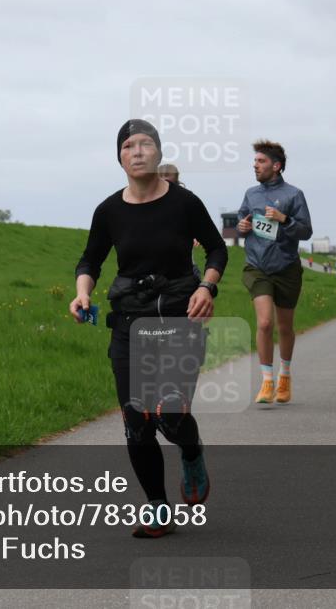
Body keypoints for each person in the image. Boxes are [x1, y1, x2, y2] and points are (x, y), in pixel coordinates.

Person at [71, 119, 227, 537]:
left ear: (158, 153)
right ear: (119, 158)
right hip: (130, 322)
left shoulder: (184, 203)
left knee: (170, 415)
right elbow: (90, 260)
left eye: (145, 144)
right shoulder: (109, 211)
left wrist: (207, 287)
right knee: (136, 419)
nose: (137, 151)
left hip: (180, 316)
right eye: (127, 146)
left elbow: (216, 247)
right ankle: (159, 509)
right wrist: (82, 293)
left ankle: (191, 452)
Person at [236, 140, 313, 405]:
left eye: (261, 162)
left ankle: (285, 376)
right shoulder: (251, 194)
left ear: (276, 166)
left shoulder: (294, 194)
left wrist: (284, 219)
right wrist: (242, 226)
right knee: (265, 323)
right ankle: (267, 381)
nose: (255, 165)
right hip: (257, 266)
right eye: (255, 161)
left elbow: (306, 231)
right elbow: (241, 221)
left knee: (284, 326)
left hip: (286, 267)